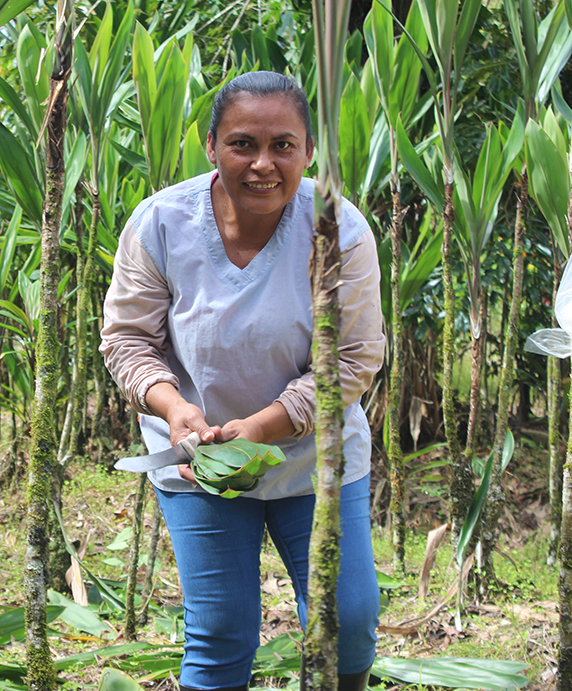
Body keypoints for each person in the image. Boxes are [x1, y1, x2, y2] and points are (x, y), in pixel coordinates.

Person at [99, 71, 385, 691]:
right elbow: (127, 340)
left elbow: (354, 356)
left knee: (349, 620)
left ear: (309, 152)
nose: (263, 164)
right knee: (222, 629)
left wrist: (263, 427)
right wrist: (172, 406)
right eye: (242, 144)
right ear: (211, 146)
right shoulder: (161, 223)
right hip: (198, 459)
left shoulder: (339, 228)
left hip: (315, 458)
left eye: (283, 145)